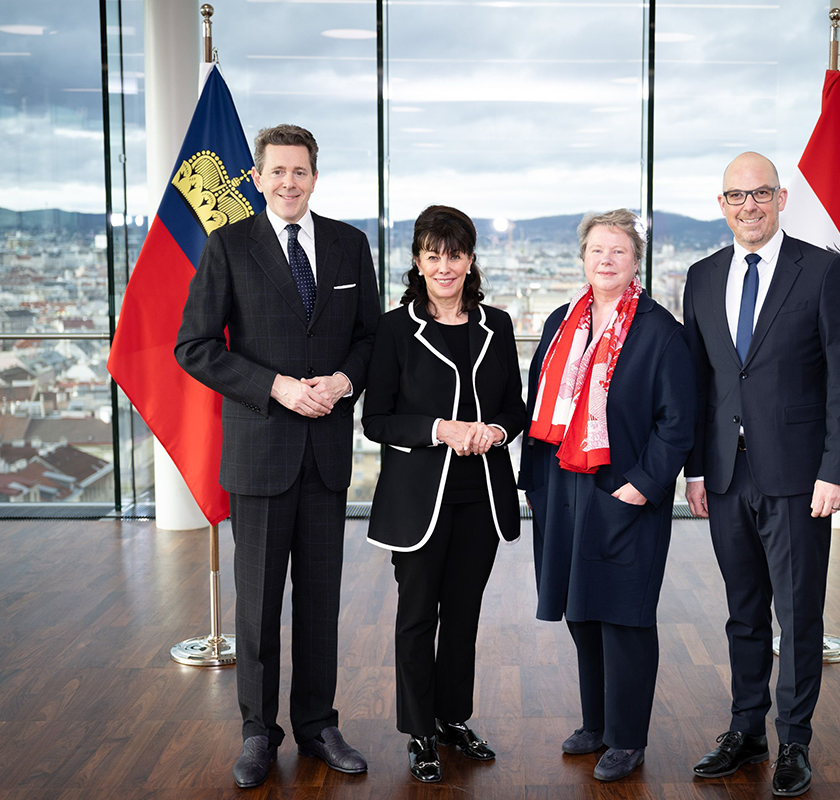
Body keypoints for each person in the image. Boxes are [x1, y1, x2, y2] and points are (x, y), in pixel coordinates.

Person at [175, 124, 381, 789]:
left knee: (321, 602)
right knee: (259, 608)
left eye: (300, 171)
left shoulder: (350, 245)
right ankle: (259, 733)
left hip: (326, 456)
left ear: (315, 178)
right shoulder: (227, 245)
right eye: (277, 172)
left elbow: (371, 338)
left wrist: (344, 382)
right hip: (261, 454)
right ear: (257, 179)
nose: (289, 182)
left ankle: (319, 725)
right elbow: (196, 347)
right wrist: (277, 387)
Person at [683, 151, 840, 797]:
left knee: (799, 613)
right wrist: (697, 470)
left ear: (782, 198)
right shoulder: (702, 277)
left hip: (798, 476)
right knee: (743, 613)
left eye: (760, 193)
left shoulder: (821, 270)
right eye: (737, 195)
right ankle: (745, 731)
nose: (749, 206)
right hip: (727, 476)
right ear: (722, 204)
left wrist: (836, 470)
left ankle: (795, 743)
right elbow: (702, 383)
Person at [519, 209, 695, 783]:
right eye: (597, 249)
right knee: (582, 611)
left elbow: (678, 423)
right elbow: (536, 405)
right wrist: (538, 486)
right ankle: (595, 724)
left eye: (619, 251)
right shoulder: (559, 320)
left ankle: (626, 739)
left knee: (625, 616)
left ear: (635, 261)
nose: (606, 260)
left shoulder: (659, 329)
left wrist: (641, 488)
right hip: (565, 488)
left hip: (624, 492)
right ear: (583, 257)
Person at [361, 205, 525, 783]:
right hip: (418, 502)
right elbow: (376, 420)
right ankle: (420, 732)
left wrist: (497, 430)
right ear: (417, 261)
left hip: (480, 495)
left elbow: (515, 407)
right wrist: (439, 429)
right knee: (415, 617)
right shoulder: (394, 328)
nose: (445, 266)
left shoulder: (497, 325)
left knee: (462, 615)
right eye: (433, 255)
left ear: (470, 259)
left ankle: (454, 718)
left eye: (455, 254)